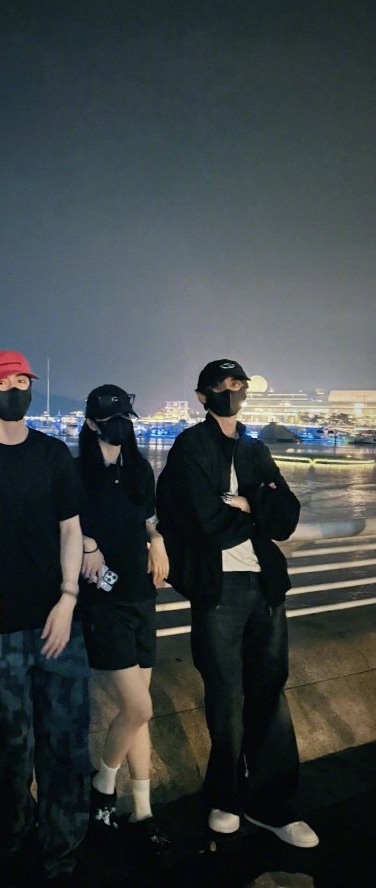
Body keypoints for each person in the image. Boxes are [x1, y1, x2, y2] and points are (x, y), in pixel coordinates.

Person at [156, 359, 318, 848]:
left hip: (265, 586)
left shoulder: (255, 448)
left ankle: (273, 805)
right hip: (218, 588)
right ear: (203, 396)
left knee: (270, 694)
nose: (235, 391)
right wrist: (257, 508)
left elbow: (286, 517)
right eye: (225, 385)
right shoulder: (190, 446)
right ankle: (225, 798)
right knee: (226, 698)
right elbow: (203, 520)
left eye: (239, 384)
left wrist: (245, 504)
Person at [0, 349, 91, 883]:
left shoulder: (53, 453)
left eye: (21, 382)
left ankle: (64, 851)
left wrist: (68, 598)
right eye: (3, 383)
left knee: (67, 739)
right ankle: (16, 835)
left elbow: (71, 529)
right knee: (11, 742)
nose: (15, 391)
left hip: (58, 619)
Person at [76, 385, 171, 851]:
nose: (120, 427)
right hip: (102, 600)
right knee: (139, 708)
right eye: (110, 419)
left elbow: (148, 518)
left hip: (140, 594)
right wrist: (88, 544)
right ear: (91, 422)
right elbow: (62, 522)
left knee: (140, 713)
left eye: (125, 418)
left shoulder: (138, 468)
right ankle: (103, 786)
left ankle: (143, 810)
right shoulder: (76, 471)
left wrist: (158, 540)